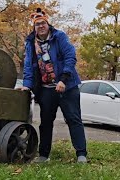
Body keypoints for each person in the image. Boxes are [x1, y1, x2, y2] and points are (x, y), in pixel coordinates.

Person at [20, 8, 87, 163]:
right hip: (46, 90)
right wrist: (27, 86)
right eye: (37, 24)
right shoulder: (31, 43)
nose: (41, 26)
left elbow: (70, 57)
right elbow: (29, 66)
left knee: (73, 119)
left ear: (48, 23)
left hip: (67, 87)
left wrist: (63, 79)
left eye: (43, 23)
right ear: (34, 27)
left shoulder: (59, 37)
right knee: (46, 122)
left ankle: (81, 154)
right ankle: (44, 155)